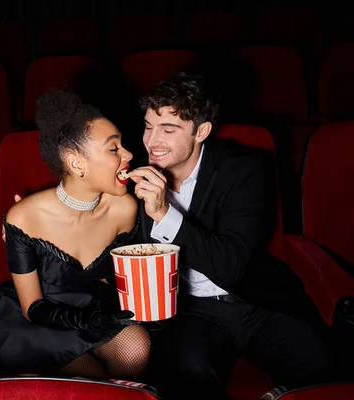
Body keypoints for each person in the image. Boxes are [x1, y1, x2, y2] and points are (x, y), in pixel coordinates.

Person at [129, 73, 337, 399]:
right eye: (148, 126)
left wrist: (164, 214)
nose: (152, 140)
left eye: (168, 130)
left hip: (255, 302)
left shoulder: (244, 170)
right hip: (192, 312)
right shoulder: (136, 179)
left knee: (326, 373)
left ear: (202, 131)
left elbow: (232, 266)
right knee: (186, 381)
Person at [0, 91, 151, 380]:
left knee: (136, 347)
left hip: (94, 306)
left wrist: (156, 209)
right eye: (114, 149)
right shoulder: (24, 217)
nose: (129, 155)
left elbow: (130, 275)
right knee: (90, 379)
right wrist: (92, 320)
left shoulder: (124, 207)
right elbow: (33, 308)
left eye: (122, 145)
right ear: (77, 164)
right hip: (39, 321)